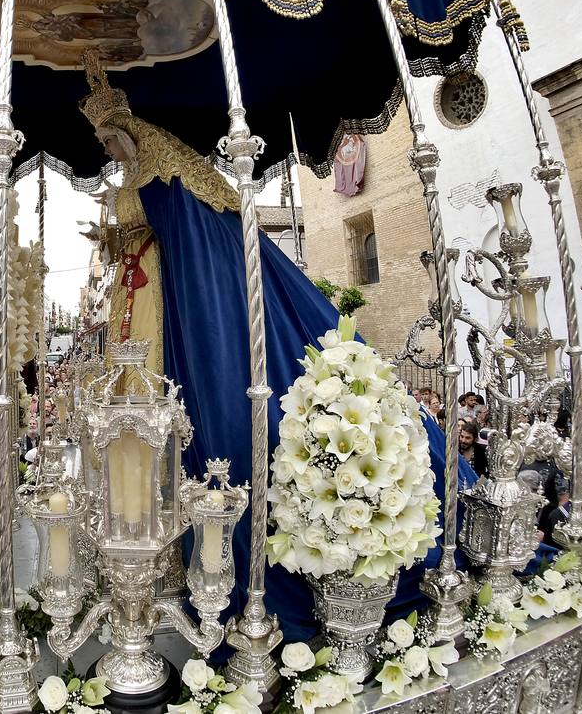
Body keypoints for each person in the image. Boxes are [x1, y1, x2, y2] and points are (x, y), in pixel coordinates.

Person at [79, 56, 459, 640]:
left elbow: (189, 225)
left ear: (135, 131)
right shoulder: (136, 183)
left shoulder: (166, 174)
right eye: (104, 141)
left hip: (163, 296)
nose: (110, 149)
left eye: (113, 138)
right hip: (141, 296)